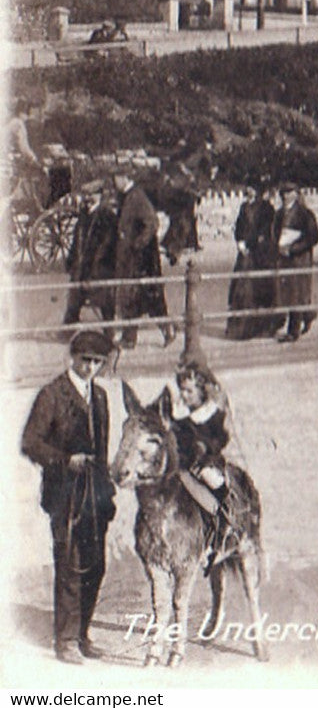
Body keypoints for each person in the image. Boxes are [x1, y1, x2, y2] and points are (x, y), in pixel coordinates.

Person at [21, 331, 119, 664]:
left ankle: (82, 634)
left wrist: (108, 491)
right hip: (65, 494)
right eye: (86, 361)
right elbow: (30, 443)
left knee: (97, 566)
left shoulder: (102, 397)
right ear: (72, 358)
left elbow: (103, 450)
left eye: (97, 362)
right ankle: (64, 641)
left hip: (96, 494)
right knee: (70, 564)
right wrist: (65, 460)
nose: (91, 368)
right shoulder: (52, 395)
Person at [112, 172, 175, 350]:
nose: (114, 181)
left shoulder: (137, 196)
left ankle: (168, 331)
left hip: (143, 260)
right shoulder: (126, 196)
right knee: (131, 298)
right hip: (132, 259)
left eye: (116, 177)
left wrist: (136, 244)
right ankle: (129, 338)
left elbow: (152, 223)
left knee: (151, 299)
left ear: (125, 177)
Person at [226, 184, 281, 340]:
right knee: (240, 289)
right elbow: (238, 227)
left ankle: (262, 328)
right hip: (245, 254)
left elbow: (264, 231)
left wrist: (249, 243)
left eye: (252, 189)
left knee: (259, 289)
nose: (248, 191)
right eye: (248, 188)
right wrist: (239, 241)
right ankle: (239, 329)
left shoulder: (266, 208)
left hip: (260, 254)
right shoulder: (244, 207)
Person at [62, 181, 119, 327]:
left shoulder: (107, 216)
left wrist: (96, 266)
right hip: (82, 267)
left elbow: (107, 245)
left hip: (99, 268)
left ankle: (109, 333)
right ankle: (68, 330)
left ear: (99, 196)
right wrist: (71, 260)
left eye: (90, 195)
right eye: (85, 195)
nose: (87, 199)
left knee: (105, 304)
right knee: (74, 302)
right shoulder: (83, 216)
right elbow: (76, 241)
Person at [272, 183, 318, 342]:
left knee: (296, 293)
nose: (285, 196)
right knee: (290, 293)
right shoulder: (279, 214)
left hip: (299, 259)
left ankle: (293, 332)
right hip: (284, 258)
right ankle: (308, 315)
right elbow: (275, 233)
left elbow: (313, 237)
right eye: (283, 193)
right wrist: (278, 247)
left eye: (289, 193)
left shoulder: (305, 214)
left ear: (296, 194)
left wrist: (293, 248)